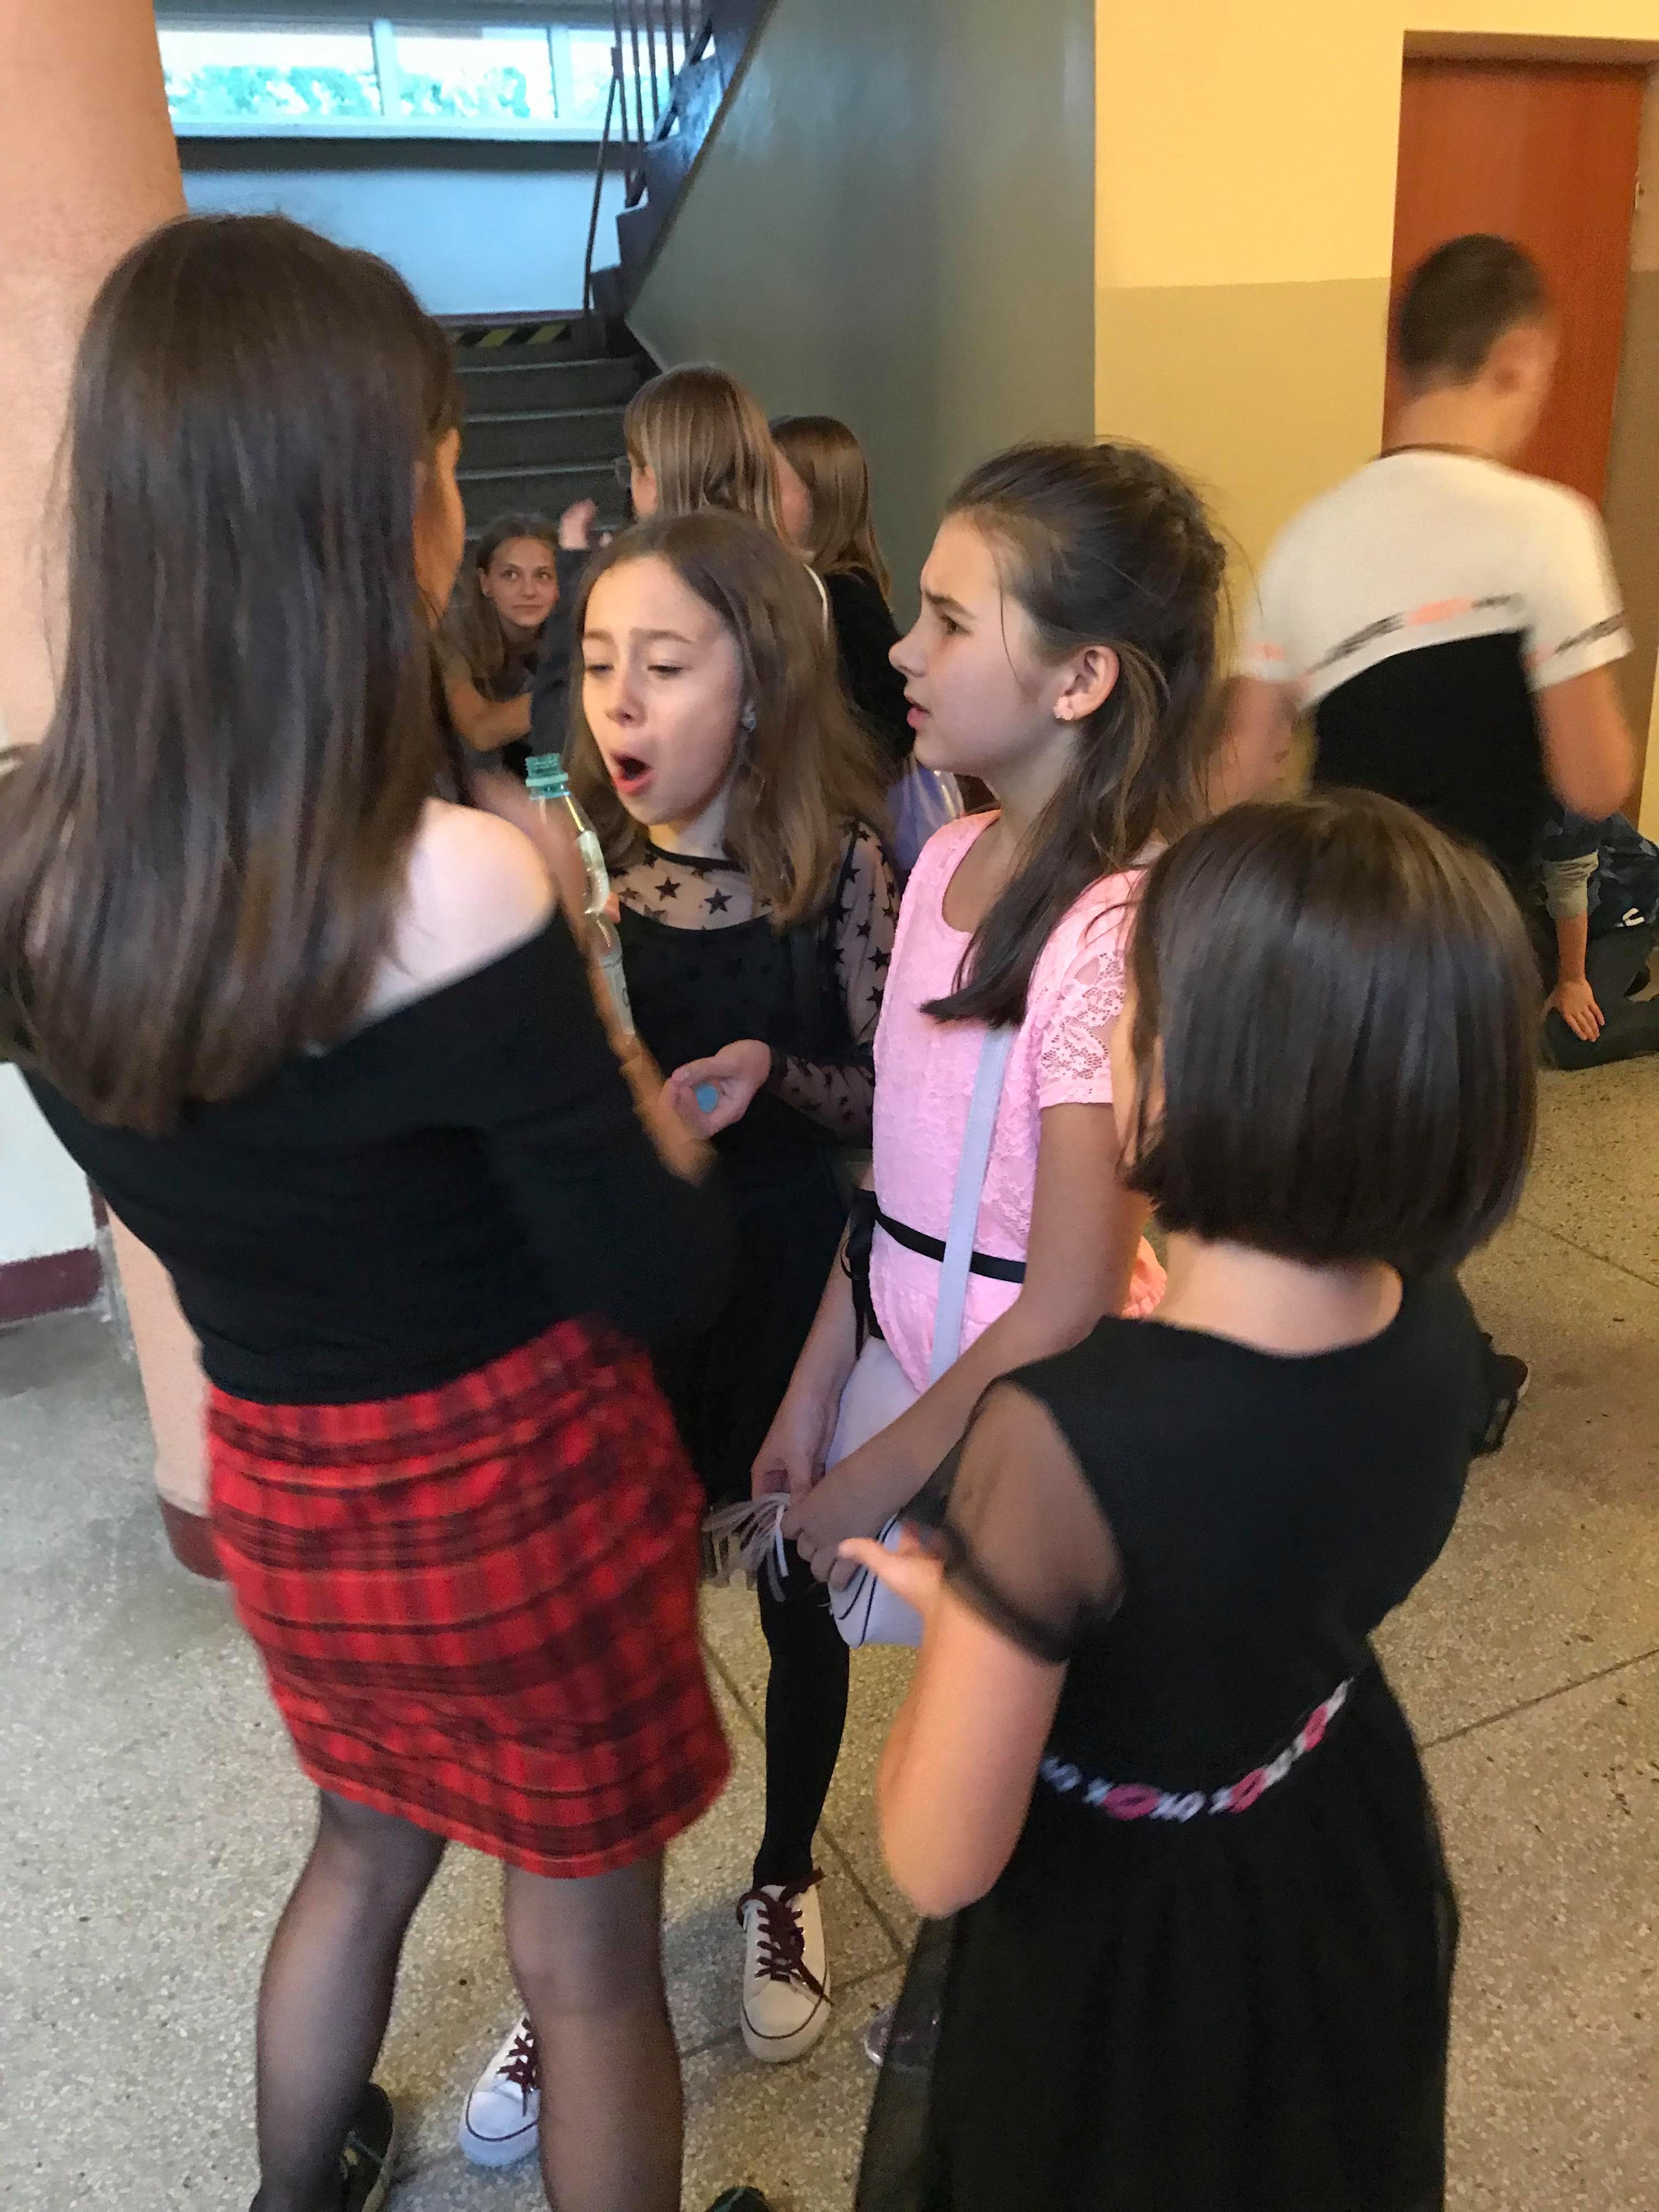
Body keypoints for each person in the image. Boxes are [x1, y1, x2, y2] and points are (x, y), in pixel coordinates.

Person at [0, 212, 771, 2212]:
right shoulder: (464, 877)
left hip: (281, 1476)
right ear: (377, 509)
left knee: (358, 1844)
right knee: (585, 1966)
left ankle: (290, 2195)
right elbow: (657, 1270)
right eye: (441, 458)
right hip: (516, 1496)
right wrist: (641, 1085)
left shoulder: (33, 861)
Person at [842, 791, 1538, 2212]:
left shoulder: (1061, 1443)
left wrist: (969, 1632)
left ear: (1202, 1079)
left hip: (1122, 1962)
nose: (1108, 1033)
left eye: (1135, 1008)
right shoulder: (1439, 1340)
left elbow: (938, 1856)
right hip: (1324, 1832)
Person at [761, 440, 1221, 2071]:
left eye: (952, 621)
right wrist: (816, 1387)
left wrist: (870, 1472)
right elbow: (896, 1181)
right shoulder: (950, 857)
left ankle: (1027, 2015)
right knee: (970, 1720)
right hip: (924, 1369)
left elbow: (1076, 1296)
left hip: (1043, 1426)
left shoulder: (1113, 937)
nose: (903, 647)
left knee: (1042, 1745)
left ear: (1083, 678)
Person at [459, 507, 899, 2158]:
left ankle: (784, 1877)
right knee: (610, 1640)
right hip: (629, 1295)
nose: (621, 704)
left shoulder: (839, 864)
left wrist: (774, 1077)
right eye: (596, 666)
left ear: (763, 681)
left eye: (665, 664)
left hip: (789, 1280)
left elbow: (895, 1102)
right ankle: (586, 1973)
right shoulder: (579, 866)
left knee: (795, 1593)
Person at [1220, 232, 1637, 1446]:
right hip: (1472, 925)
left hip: (1338, 917)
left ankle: (1350, 1357)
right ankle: (1426, 1384)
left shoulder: (1309, 534)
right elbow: (1596, 780)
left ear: (1400, 362)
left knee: (1359, 1154)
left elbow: (1234, 776)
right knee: (1441, 1174)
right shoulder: (1545, 525)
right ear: (1518, 358)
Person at [528, 364, 786, 757]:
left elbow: (557, 729)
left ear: (656, 476)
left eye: (634, 467)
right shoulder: (798, 580)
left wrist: (581, 578)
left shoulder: (655, 587)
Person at [772, 413, 913, 774]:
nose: (755, 502)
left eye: (771, 487)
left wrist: (840, 777)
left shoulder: (845, 594)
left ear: (821, 498)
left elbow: (893, 712)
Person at [438, 510, 560, 775]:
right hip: (460, 776)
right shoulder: (454, 638)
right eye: (511, 575)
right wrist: (564, 694)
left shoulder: (570, 635)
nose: (529, 591)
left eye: (542, 576)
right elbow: (480, 732)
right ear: (485, 583)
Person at [1538, 802, 1659, 1069]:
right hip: (1555, 913)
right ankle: (1624, 974)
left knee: (1566, 1038)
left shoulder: (1562, 797)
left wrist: (1572, 980)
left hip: (1623, 904)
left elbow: (1569, 884)